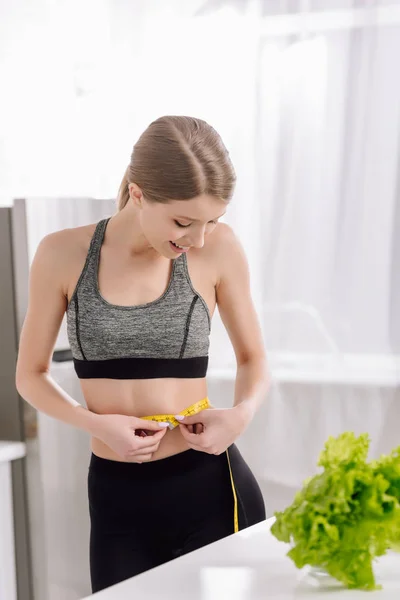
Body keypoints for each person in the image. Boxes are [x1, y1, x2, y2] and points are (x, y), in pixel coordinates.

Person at [15, 115, 269, 593]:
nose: (197, 238)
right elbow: (29, 375)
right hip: (117, 498)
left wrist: (241, 414)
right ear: (138, 193)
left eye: (212, 220)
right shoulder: (62, 253)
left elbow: (253, 359)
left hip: (210, 487)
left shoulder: (219, 249)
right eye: (182, 221)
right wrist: (95, 423)